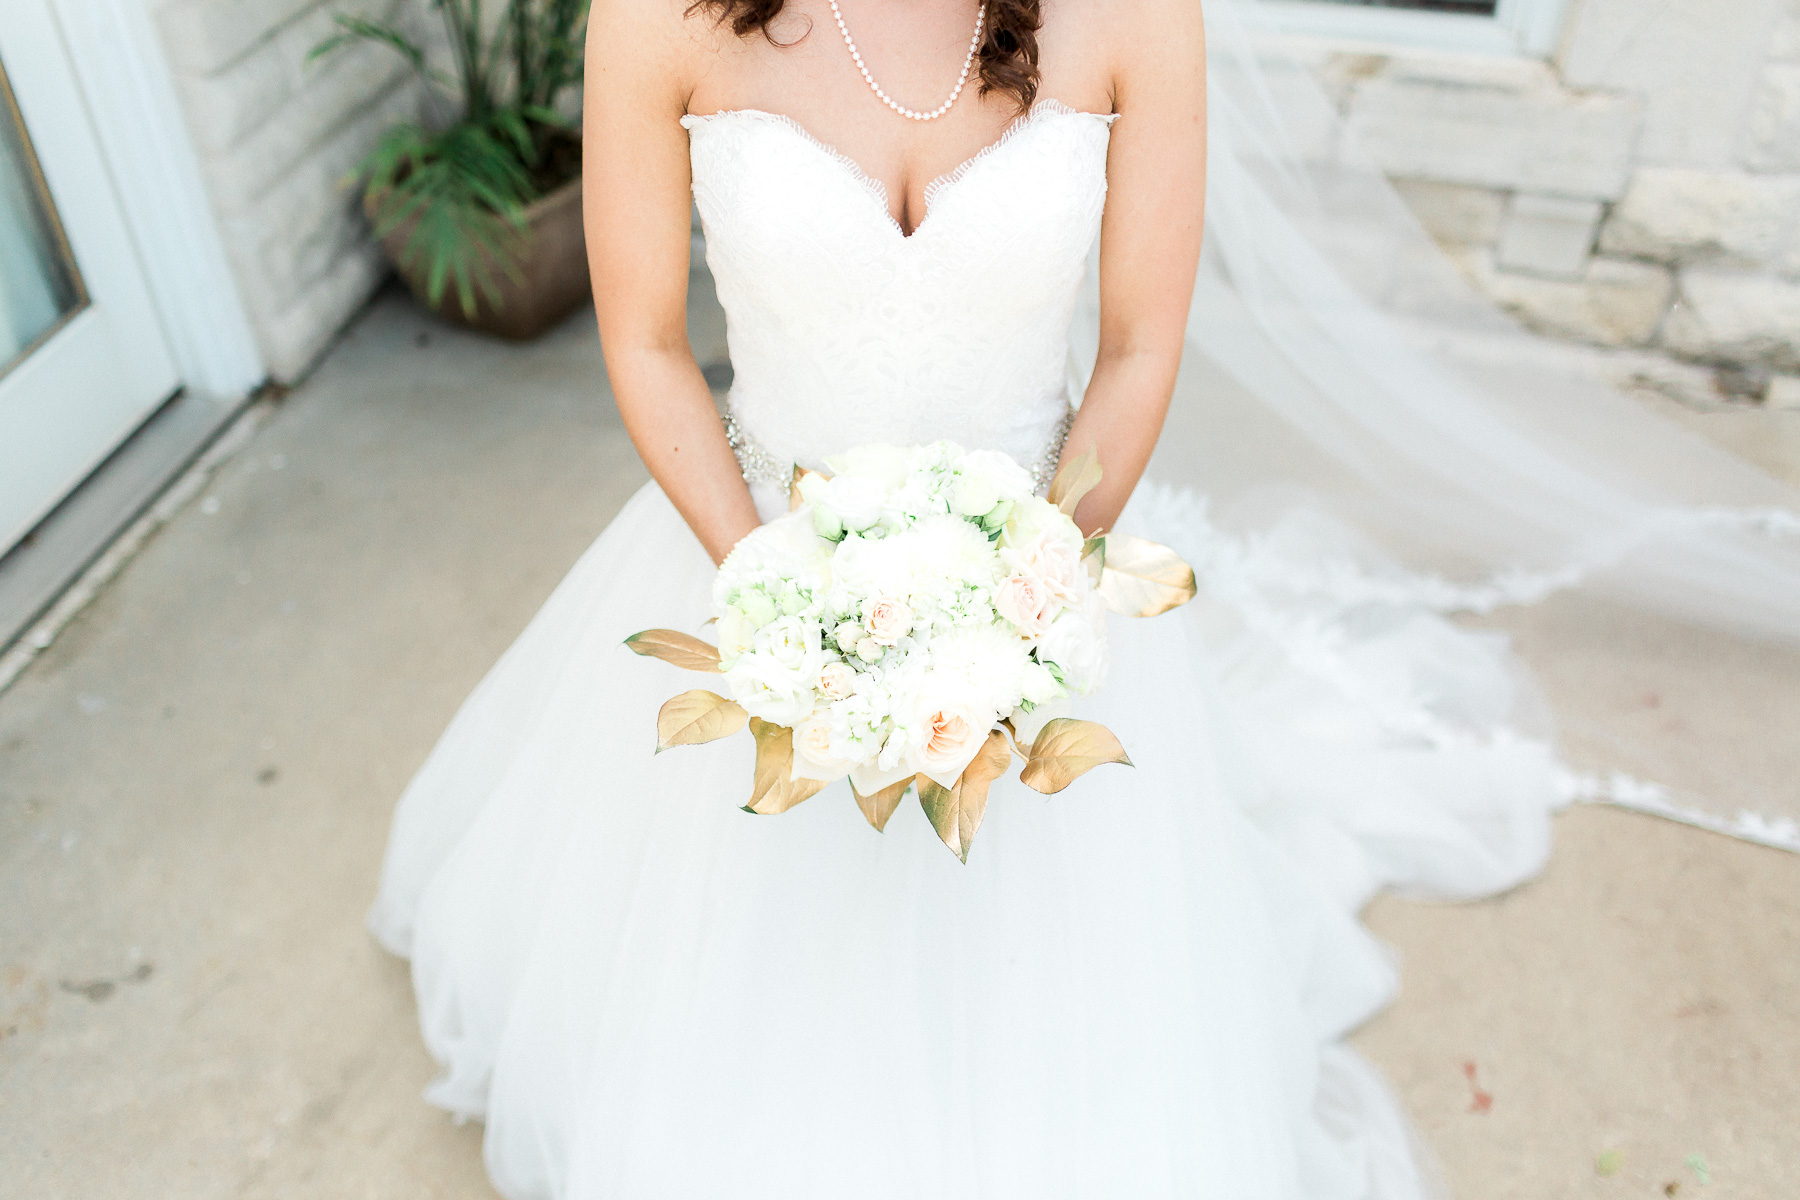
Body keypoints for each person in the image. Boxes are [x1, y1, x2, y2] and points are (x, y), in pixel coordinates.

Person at [368, 0, 1800, 1196]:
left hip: (1040, 558)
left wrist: (1028, 598)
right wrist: (771, 595)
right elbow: (646, 344)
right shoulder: (656, 11)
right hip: (752, 543)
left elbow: (1133, 347)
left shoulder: (1130, 10)